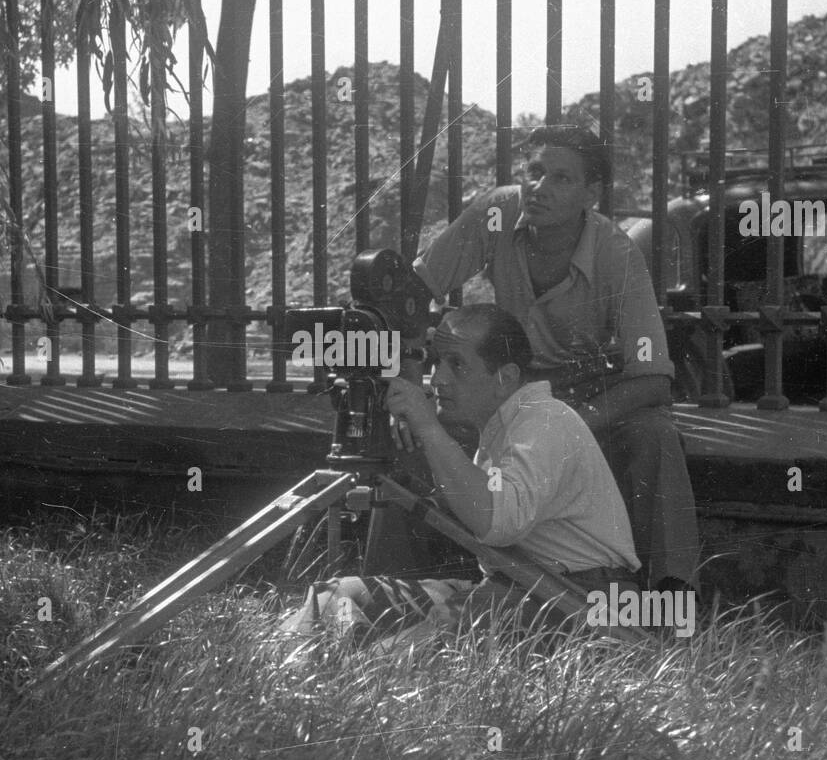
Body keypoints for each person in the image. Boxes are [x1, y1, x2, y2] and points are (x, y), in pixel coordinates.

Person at [396, 125, 699, 591]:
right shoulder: (496, 212)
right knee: (416, 434)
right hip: (515, 388)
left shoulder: (616, 252)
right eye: (534, 172)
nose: (539, 188)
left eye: (561, 179)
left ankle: (669, 606)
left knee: (655, 437)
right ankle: (413, 579)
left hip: (595, 390)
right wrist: (414, 383)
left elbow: (653, 377)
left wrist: (568, 426)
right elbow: (411, 296)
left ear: (591, 194)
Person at [280, 304, 639, 644]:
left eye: (457, 365)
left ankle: (355, 665)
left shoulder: (545, 420)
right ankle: (303, 661)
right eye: (437, 362)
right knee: (335, 596)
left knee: (397, 656)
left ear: (506, 377)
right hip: (517, 586)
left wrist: (428, 427)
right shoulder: (503, 423)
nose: (439, 379)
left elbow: (499, 522)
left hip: (581, 600)